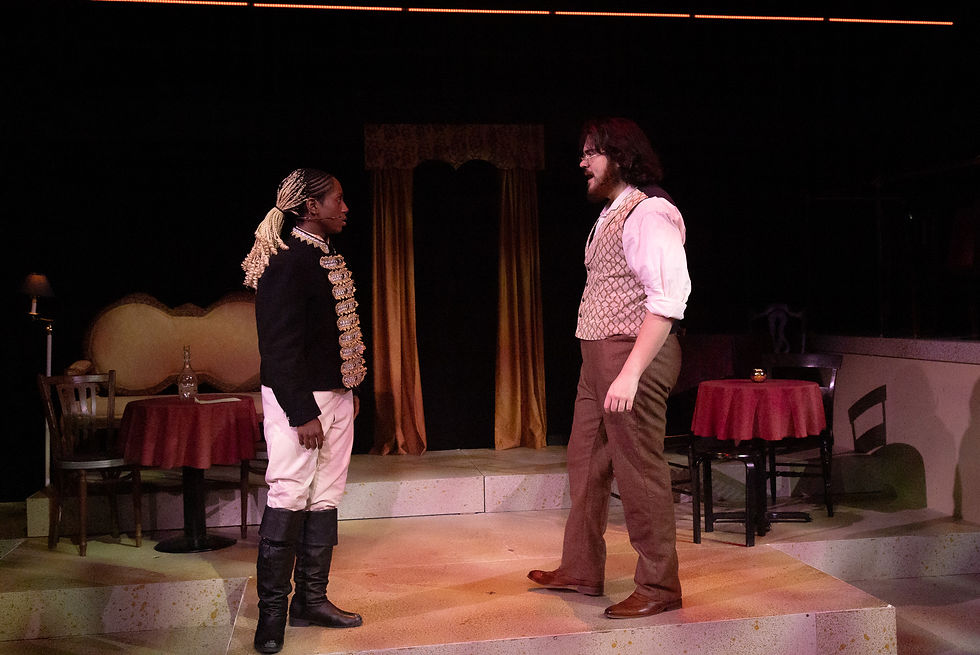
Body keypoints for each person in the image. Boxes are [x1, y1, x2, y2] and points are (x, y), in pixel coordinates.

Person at [528, 118, 691, 618]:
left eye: (591, 153)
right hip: (598, 355)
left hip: (631, 354)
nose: (582, 162)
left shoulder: (650, 212)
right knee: (585, 459)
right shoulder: (610, 213)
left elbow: (668, 300)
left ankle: (659, 586)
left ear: (620, 156)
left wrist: (631, 372)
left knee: (639, 469)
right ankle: (580, 567)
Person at [242, 168, 368, 654]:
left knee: (325, 497)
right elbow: (277, 347)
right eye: (338, 199)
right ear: (310, 207)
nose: (345, 207)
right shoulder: (287, 260)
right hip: (300, 400)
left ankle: (311, 601)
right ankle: (271, 615)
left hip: (334, 396)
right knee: (290, 493)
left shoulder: (322, 254)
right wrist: (301, 411)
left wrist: (347, 389)